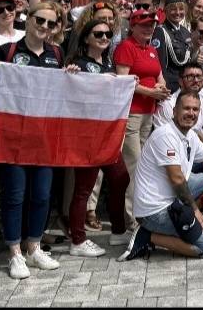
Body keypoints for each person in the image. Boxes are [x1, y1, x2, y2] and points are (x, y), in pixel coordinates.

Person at [0, 3, 72, 279]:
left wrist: (70, 77)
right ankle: (15, 253)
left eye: (52, 24)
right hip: (14, 137)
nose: (45, 27)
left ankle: (34, 247)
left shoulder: (57, 53)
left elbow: (64, 94)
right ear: (28, 19)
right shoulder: (8, 51)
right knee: (14, 197)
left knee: (41, 196)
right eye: (41, 20)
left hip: (46, 139)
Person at [125, 91, 203, 260]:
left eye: (195, 109)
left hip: (172, 197)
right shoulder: (166, 135)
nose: (191, 113)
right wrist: (194, 211)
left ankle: (191, 219)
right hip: (154, 211)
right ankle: (147, 236)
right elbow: (177, 179)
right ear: (174, 111)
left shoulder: (190, 135)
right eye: (186, 108)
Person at [65, 19, 131, 258]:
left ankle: (118, 230)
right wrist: (69, 74)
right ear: (86, 38)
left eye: (107, 34)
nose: (104, 37)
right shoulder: (79, 64)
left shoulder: (109, 63)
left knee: (120, 179)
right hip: (88, 137)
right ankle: (78, 240)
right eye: (98, 33)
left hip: (108, 136)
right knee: (84, 188)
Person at [114, 10, 170, 226]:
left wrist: (161, 88)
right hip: (131, 113)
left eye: (151, 25)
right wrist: (151, 93)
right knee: (134, 166)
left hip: (148, 113)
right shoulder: (126, 47)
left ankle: (141, 214)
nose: (149, 28)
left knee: (144, 166)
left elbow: (160, 77)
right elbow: (122, 80)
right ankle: (133, 220)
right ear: (133, 26)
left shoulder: (152, 49)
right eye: (144, 25)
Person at [153, 64, 203, 164]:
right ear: (180, 81)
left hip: (194, 155)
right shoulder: (168, 105)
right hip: (171, 158)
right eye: (190, 76)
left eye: (199, 76)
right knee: (198, 179)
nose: (196, 80)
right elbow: (162, 143)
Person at [154, 0, 192, 90]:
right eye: (173, 9)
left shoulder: (186, 32)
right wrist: (164, 85)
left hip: (185, 84)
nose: (178, 12)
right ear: (166, 11)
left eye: (181, 9)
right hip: (170, 84)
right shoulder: (160, 31)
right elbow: (160, 63)